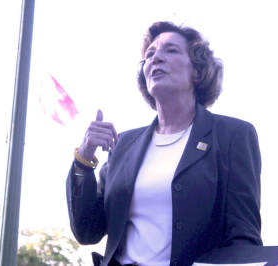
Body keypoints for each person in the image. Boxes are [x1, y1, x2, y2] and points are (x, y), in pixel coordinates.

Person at [66, 21, 262, 266]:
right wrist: (84, 160)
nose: (156, 58)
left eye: (171, 50)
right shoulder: (124, 145)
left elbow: (243, 237)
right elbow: (88, 230)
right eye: (150, 54)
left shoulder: (232, 135)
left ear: (198, 71)